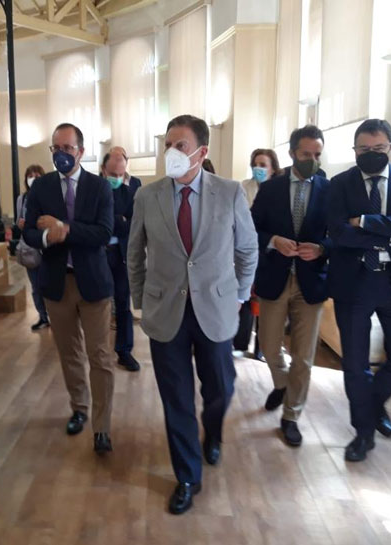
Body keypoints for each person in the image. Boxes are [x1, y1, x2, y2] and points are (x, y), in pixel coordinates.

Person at [128, 115, 258, 515]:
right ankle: (187, 476)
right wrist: (141, 301)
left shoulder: (230, 192)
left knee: (220, 387)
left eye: (180, 145)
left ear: (201, 152)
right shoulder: (147, 196)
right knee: (176, 398)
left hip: (216, 310)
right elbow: (134, 253)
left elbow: (247, 249)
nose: (171, 152)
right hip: (166, 311)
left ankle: (213, 431)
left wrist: (239, 295)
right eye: (167, 144)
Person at [328, 119, 391, 462]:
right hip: (353, 281)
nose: (371, 154)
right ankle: (363, 433)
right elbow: (338, 232)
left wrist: (365, 221)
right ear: (354, 150)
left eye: (379, 148)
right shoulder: (340, 184)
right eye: (364, 149)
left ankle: (372, 404)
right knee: (355, 364)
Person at [23, 123, 115, 455]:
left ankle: (102, 427)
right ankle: (79, 408)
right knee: (69, 352)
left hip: (93, 284)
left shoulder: (99, 186)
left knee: (99, 356)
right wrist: (48, 236)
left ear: (81, 151)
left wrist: (64, 228)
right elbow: (29, 233)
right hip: (56, 283)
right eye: (56, 149)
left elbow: (103, 233)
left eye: (67, 148)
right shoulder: (41, 186)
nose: (61, 154)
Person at [250, 127, 330, 447]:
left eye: (317, 155)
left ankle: (291, 415)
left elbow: (339, 234)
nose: (312, 160)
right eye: (306, 154)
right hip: (275, 278)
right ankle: (282, 383)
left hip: (311, 283)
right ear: (292, 153)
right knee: (269, 346)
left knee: (304, 356)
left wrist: (322, 249)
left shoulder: (330, 190)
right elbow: (251, 228)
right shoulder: (271, 189)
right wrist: (272, 240)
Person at [233, 148, 282, 357]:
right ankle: (240, 343)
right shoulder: (243, 187)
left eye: (263, 165)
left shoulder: (279, 190)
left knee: (267, 302)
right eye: (255, 164)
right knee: (245, 297)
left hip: (271, 251)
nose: (258, 169)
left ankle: (261, 348)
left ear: (273, 168)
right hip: (246, 249)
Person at [102, 152, 140, 372]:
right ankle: (97, 350)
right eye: (112, 174)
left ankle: (124, 351)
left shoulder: (131, 192)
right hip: (98, 253)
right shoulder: (94, 190)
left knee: (123, 303)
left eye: (121, 174)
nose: (117, 178)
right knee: (97, 305)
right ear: (103, 170)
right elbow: (97, 222)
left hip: (121, 254)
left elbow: (133, 223)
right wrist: (119, 220)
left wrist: (114, 221)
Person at [16, 164, 50, 331]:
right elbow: (18, 220)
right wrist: (21, 224)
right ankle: (43, 316)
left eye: (37, 176)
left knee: (49, 284)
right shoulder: (22, 199)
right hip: (30, 248)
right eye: (30, 176)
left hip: (47, 245)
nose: (33, 179)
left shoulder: (49, 196)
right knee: (35, 286)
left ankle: (55, 315)